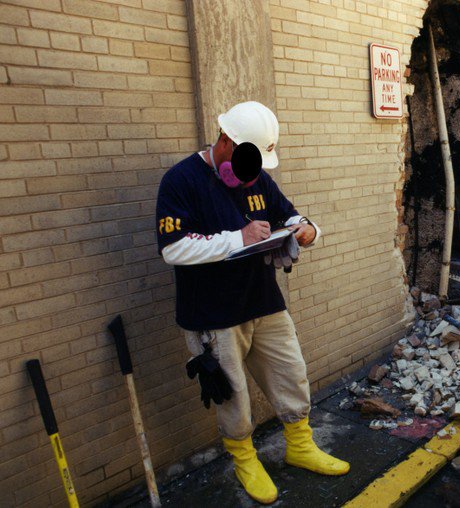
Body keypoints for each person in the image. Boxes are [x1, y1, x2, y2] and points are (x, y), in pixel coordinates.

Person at [155, 101, 349, 504]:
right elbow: (172, 249)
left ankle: (299, 445)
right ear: (226, 140)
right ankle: (245, 459)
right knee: (233, 395)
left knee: (290, 373)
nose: (251, 173)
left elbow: (290, 215)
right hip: (212, 314)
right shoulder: (181, 180)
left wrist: (306, 229)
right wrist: (238, 238)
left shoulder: (257, 177)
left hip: (263, 301)